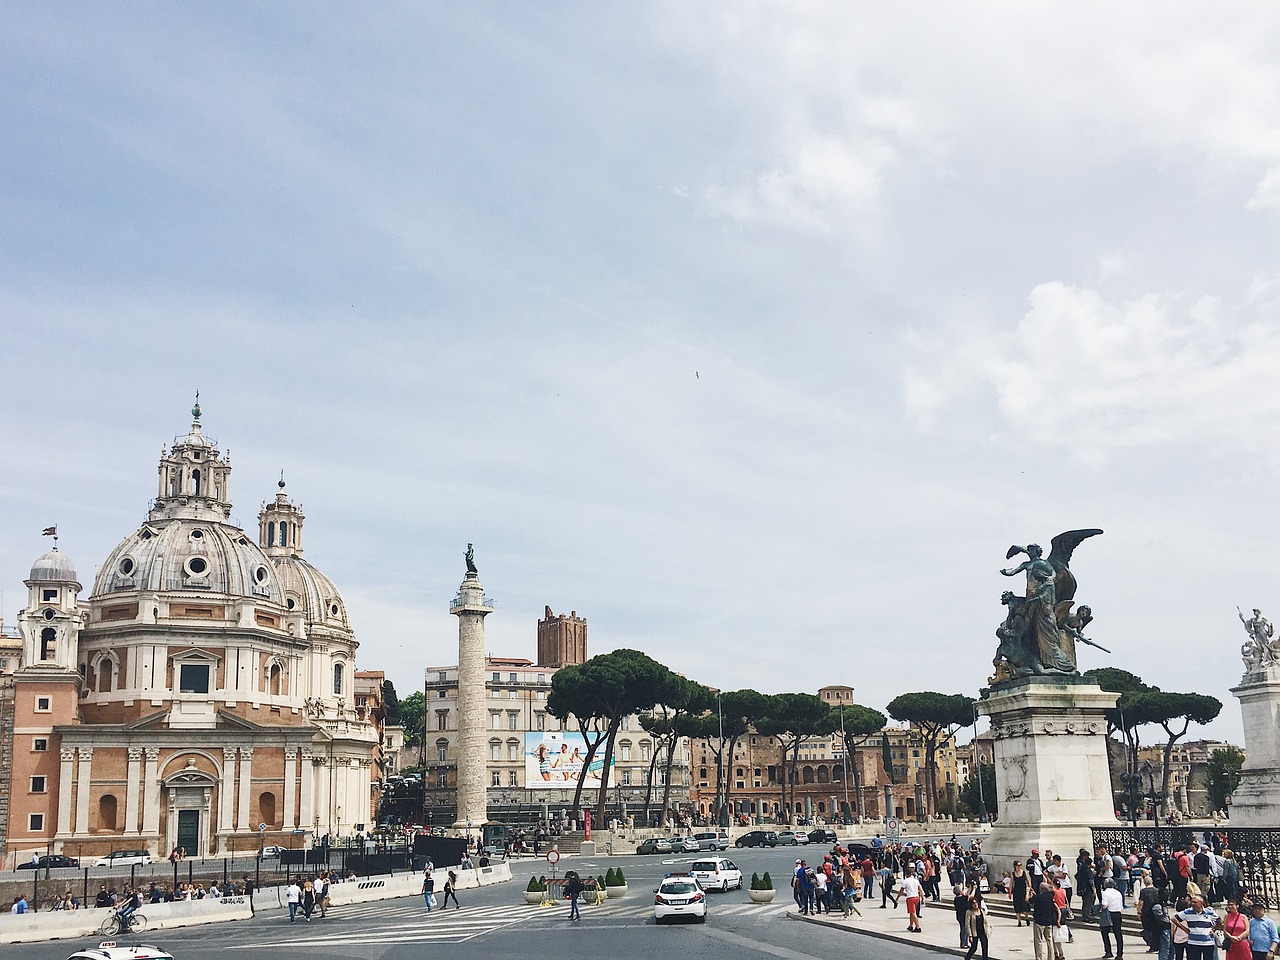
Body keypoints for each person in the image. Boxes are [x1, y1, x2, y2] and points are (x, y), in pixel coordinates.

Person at [1170, 894, 1220, 960]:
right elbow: (1174, 918)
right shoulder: (1187, 912)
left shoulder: (1209, 912)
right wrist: (1184, 929)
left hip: (1207, 942)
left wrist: (1214, 929)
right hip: (1193, 943)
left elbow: (1220, 921)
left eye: (1195, 902)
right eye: (1192, 902)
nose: (1193, 904)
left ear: (1201, 903)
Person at [1032, 881, 1060, 960]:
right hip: (1048, 922)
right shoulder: (1050, 898)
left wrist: (1028, 892)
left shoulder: (1038, 897)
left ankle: (1039, 958)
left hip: (1039, 922)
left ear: (1040, 889)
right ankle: (1050, 957)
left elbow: (1028, 900)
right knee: (1049, 940)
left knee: (1038, 941)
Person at [1100, 878, 1125, 959]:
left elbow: (1104, 905)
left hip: (1109, 914)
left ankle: (1108, 951)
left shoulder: (1105, 893)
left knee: (1104, 932)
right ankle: (1119, 954)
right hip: (1118, 913)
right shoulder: (1118, 893)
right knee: (1118, 934)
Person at [965, 892, 991, 960]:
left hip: (982, 931)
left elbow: (985, 922)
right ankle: (967, 957)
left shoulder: (981, 911)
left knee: (985, 947)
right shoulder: (969, 912)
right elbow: (967, 924)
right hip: (975, 932)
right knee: (974, 948)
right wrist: (970, 935)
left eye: (976, 902)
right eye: (973, 903)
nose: (975, 904)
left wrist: (988, 930)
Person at [1012, 860, 1033, 926]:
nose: (1020, 866)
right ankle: (1019, 921)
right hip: (1016, 891)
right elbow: (1011, 883)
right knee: (1017, 906)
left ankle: (1026, 918)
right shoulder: (1013, 873)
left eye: (1020, 865)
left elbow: (1028, 881)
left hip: (1023, 890)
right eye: (1018, 865)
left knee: (1024, 906)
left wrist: (1030, 889)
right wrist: (1010, 892)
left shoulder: (1024, 872)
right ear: (1015, 866)